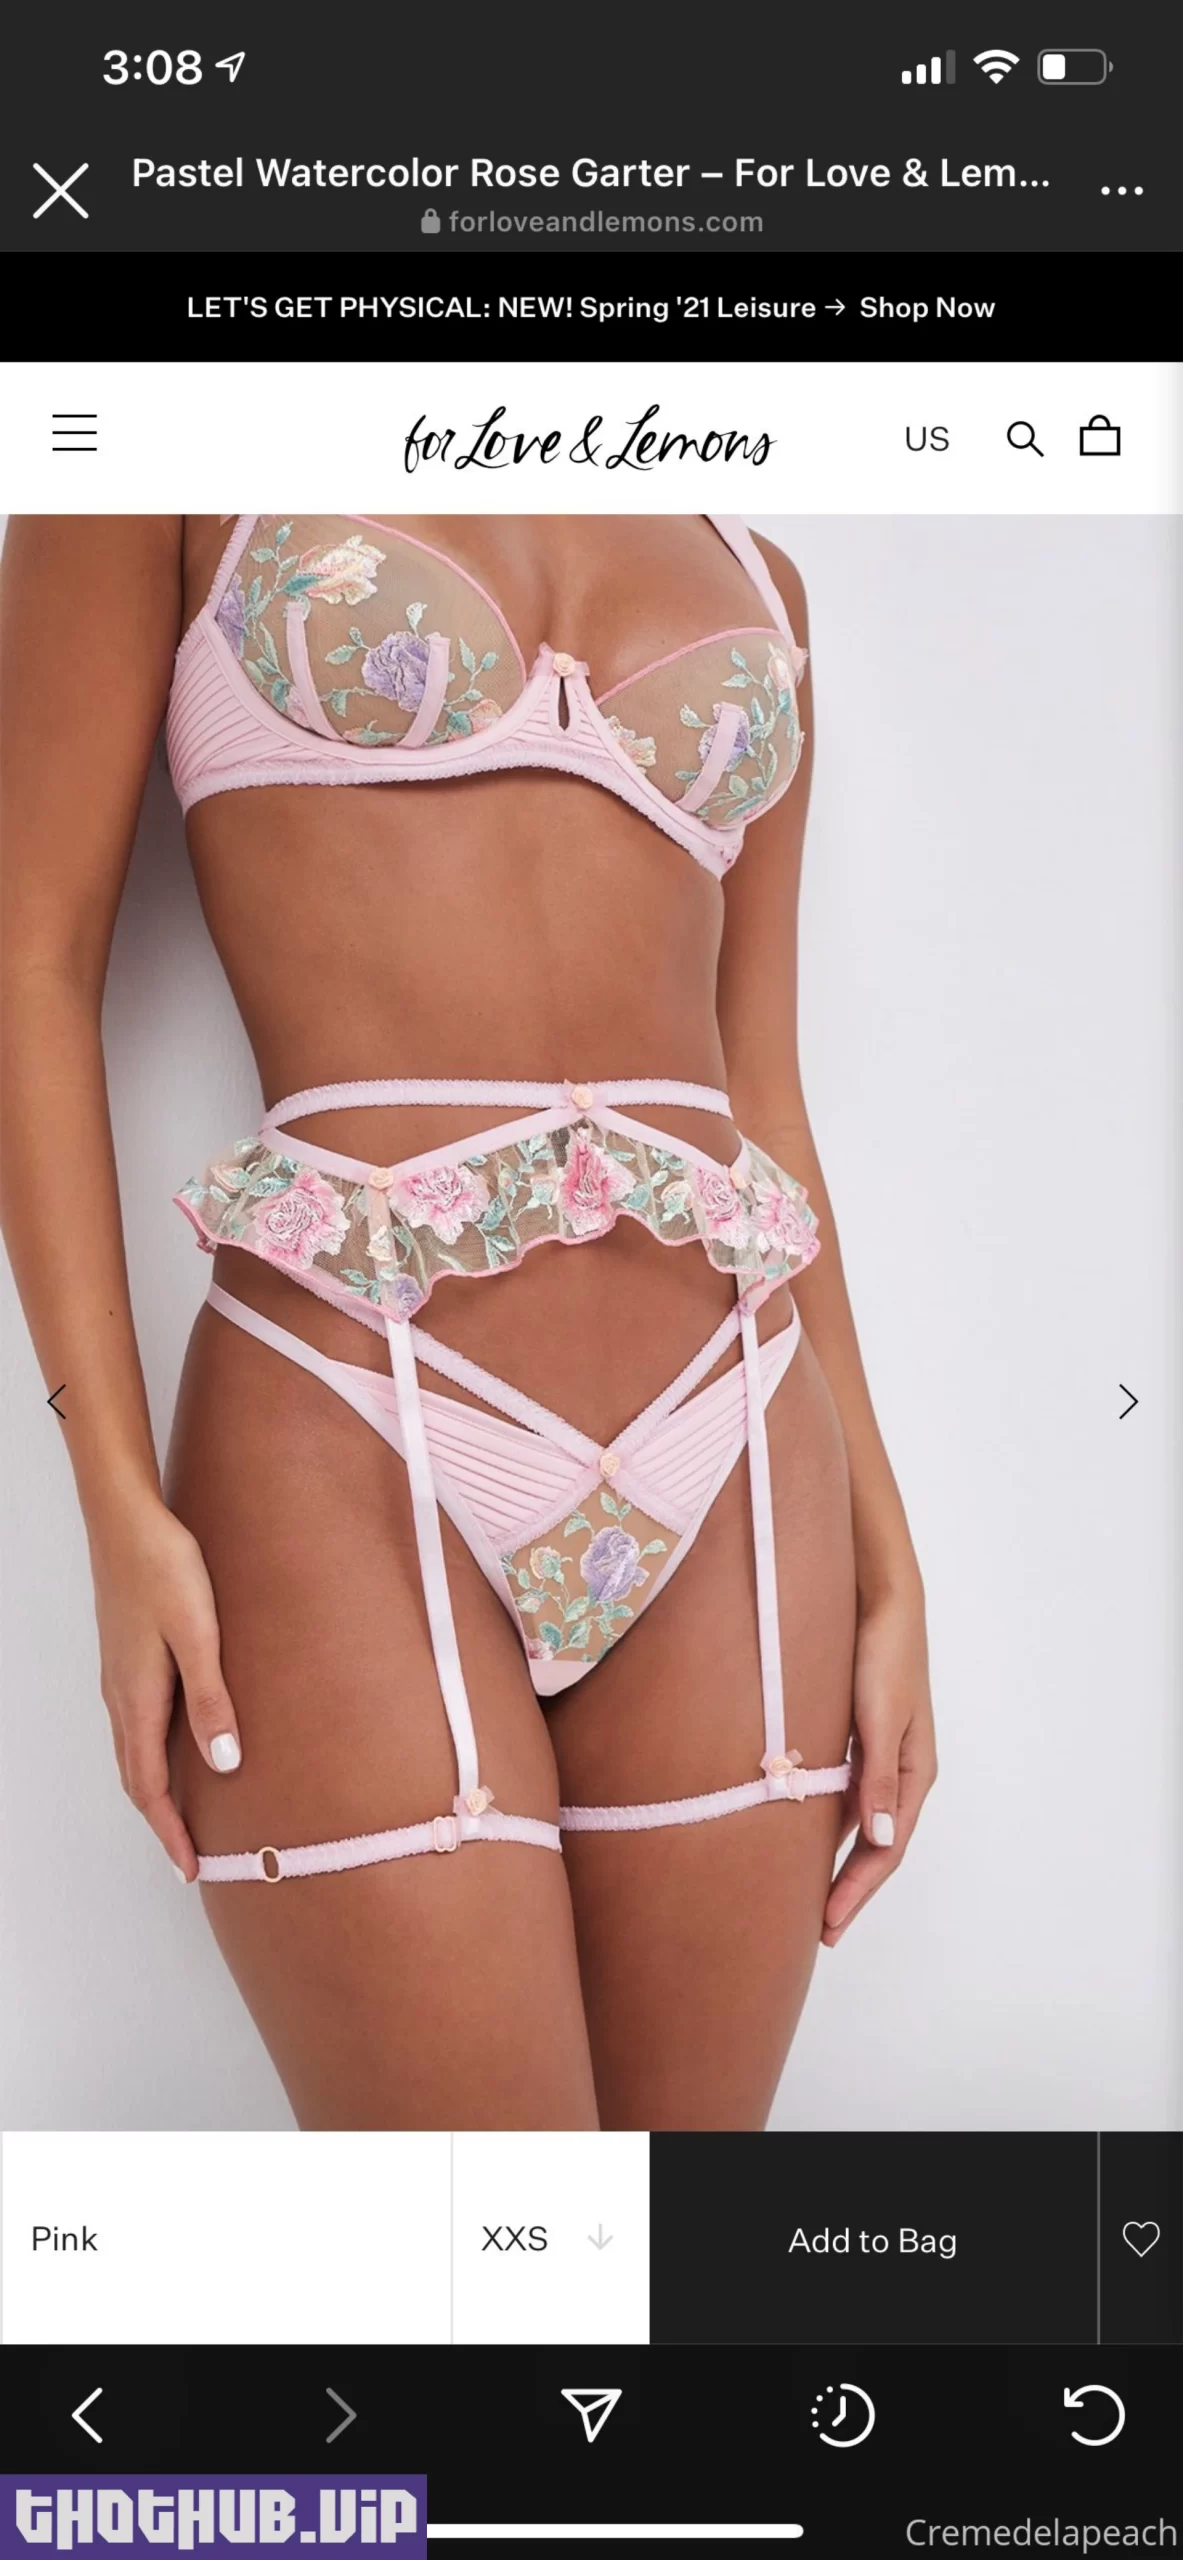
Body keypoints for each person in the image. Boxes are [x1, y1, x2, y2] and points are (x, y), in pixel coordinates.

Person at [0, 513, 935, 2130]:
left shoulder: (753, 570)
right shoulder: (162, 481)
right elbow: (30, 964)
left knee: (666, 2250)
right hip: (348, 1412)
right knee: (465, 2250)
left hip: (737, 1433)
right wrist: (114, 1508)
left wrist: (889, 1558)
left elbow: (760, 1089)